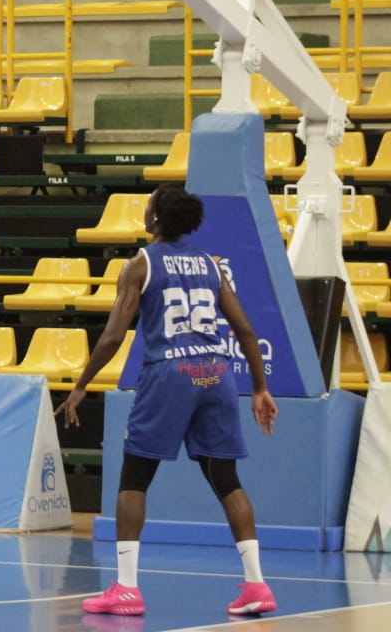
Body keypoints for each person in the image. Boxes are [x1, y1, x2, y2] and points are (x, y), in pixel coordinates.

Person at [57, 184, 279, 617]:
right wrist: (259, 388)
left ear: (155, 219)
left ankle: (125, 588)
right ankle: (257, 585)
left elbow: (113, 335)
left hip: (169, 372)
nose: (143, 210)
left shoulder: (139, 265)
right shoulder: (211, 265)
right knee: (226, 478)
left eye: (147, 205)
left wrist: (82, 383)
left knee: (134, 478)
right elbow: (247, 331)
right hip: (216, 373)